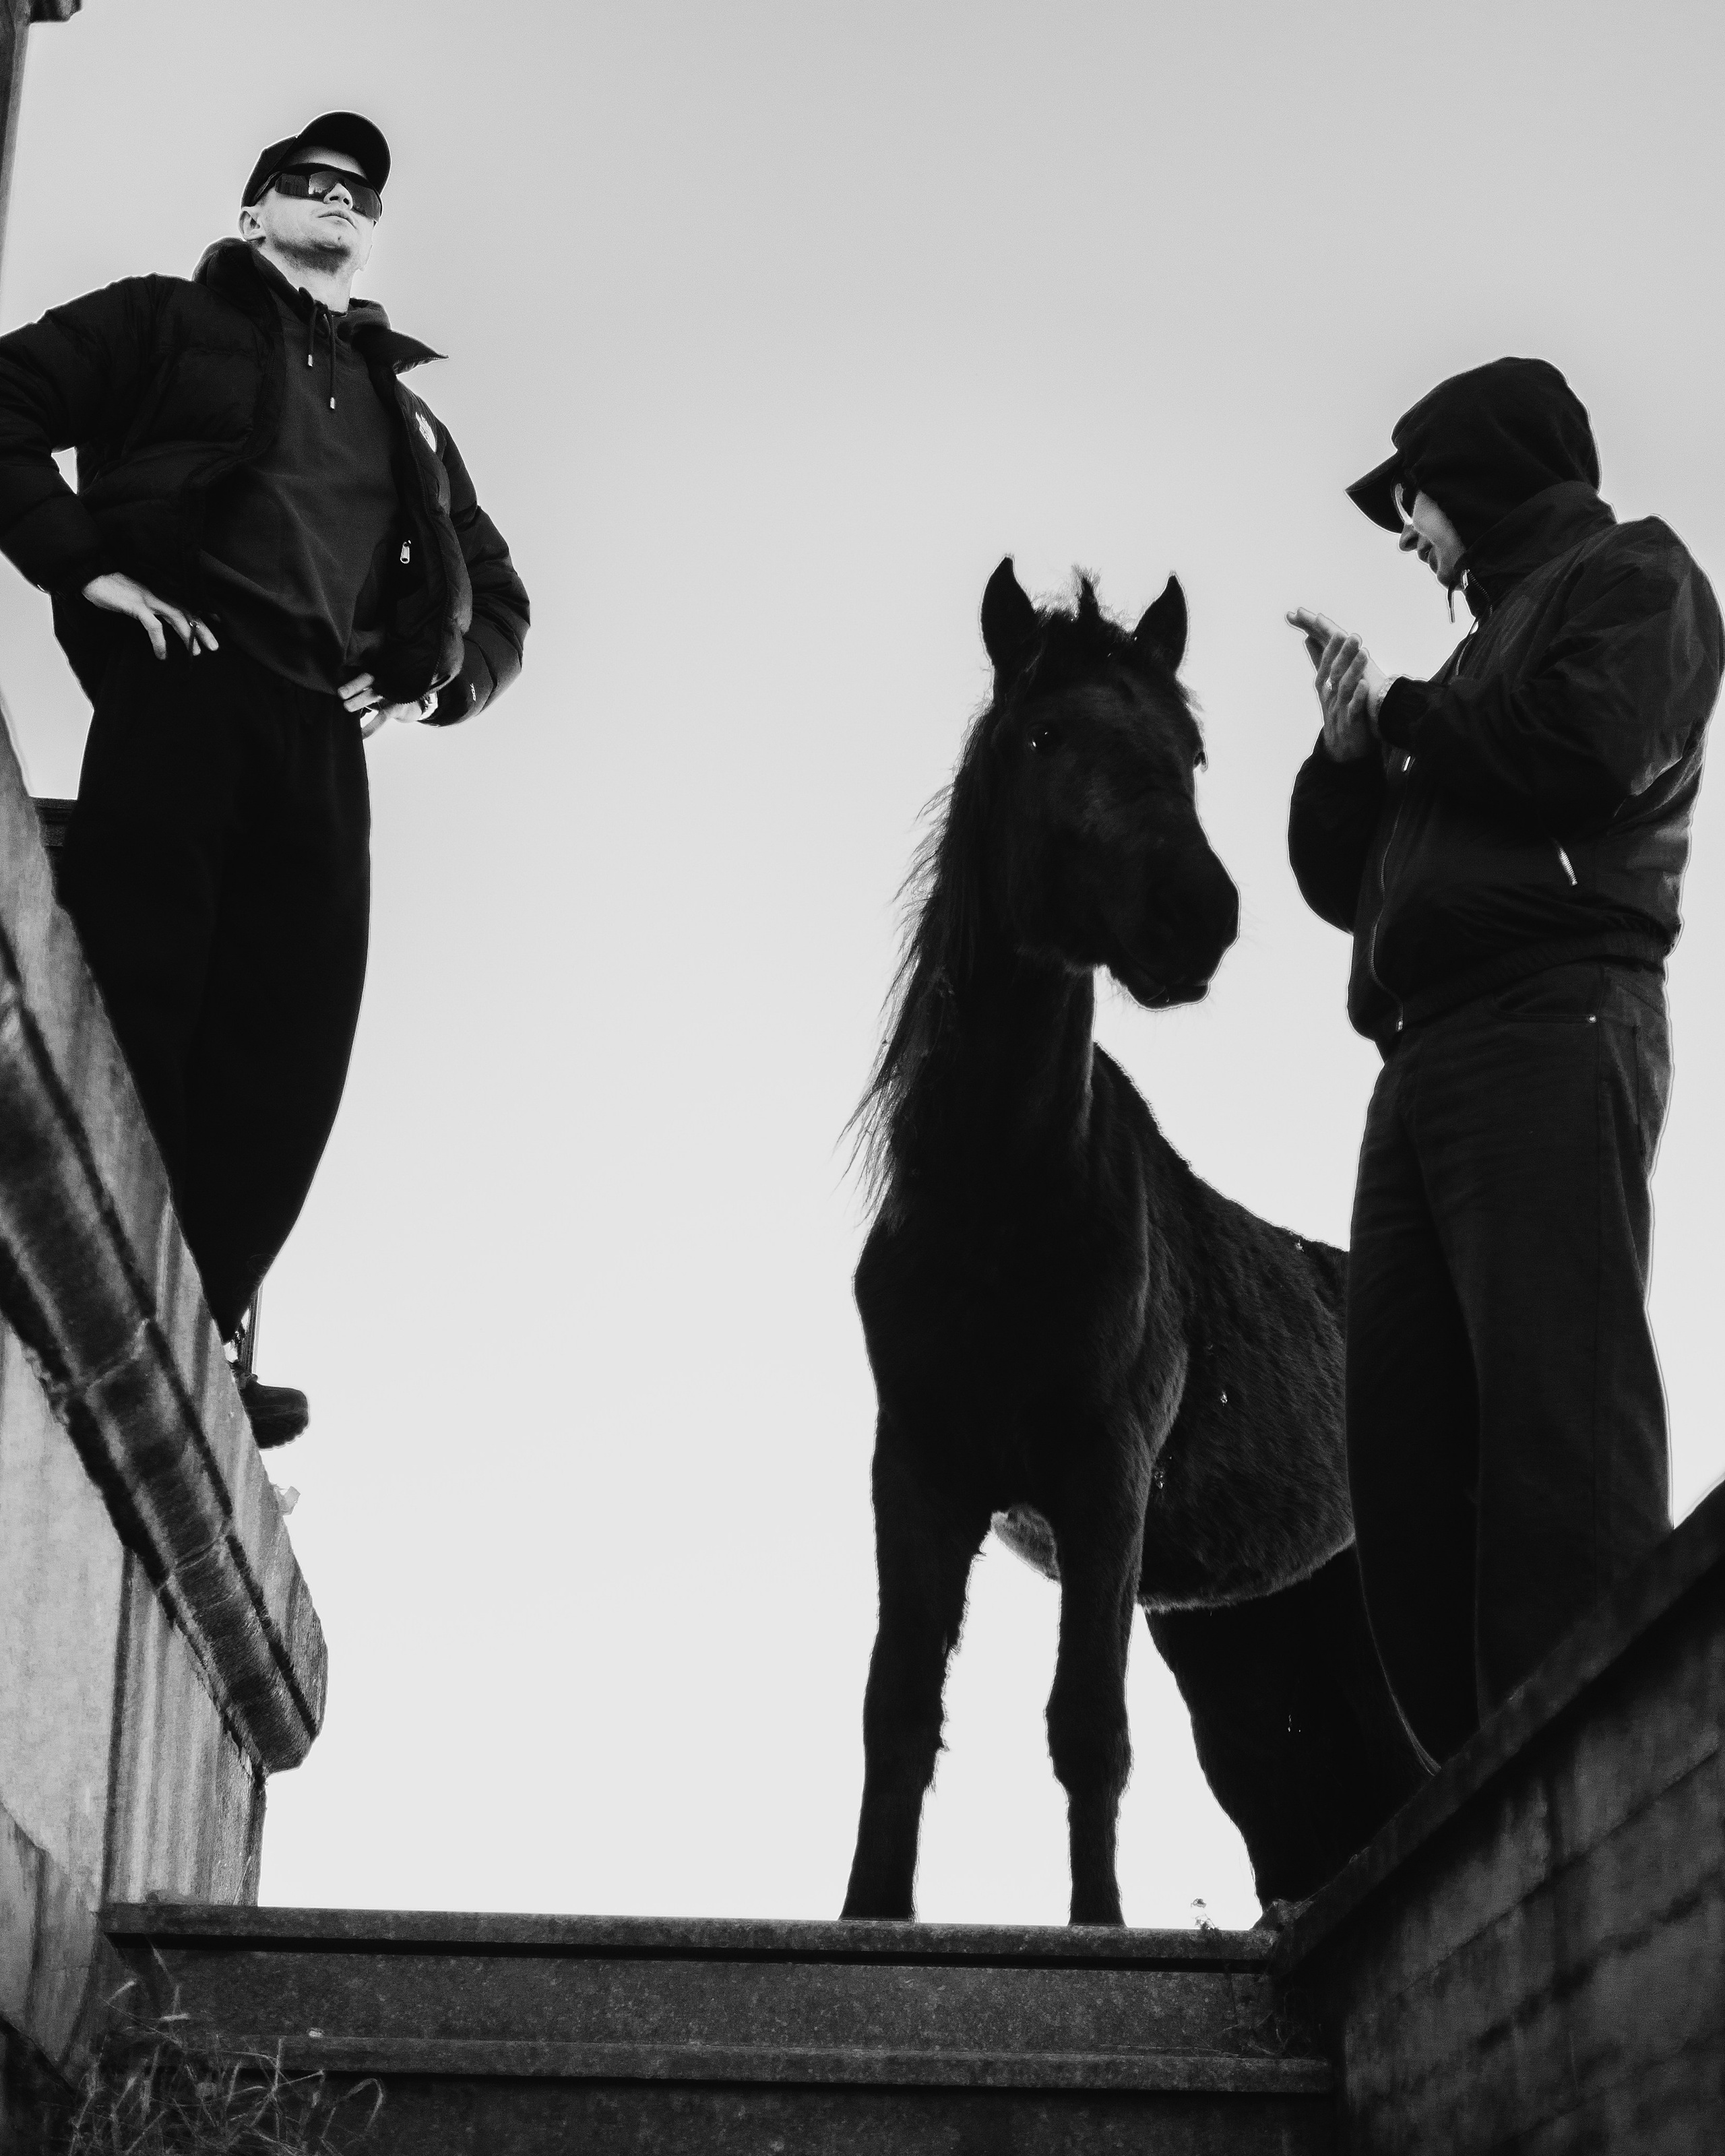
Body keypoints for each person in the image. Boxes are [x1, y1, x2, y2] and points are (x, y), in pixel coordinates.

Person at [0, 112, 530, 1445]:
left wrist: (433, 679)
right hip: (185, 679)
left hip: (320, 730)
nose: (335, 194)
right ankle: (124, 1286)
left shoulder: (408, 418)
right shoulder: (161, 323)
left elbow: (500, 597)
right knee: (146, 995)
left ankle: (204, 1317)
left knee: (287, 1056)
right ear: (251, 218)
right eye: (305, 179)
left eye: (356, 189)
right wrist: (83, 564)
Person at [1284, 356, 1722, 1763]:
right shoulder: (1466, 664)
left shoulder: (1634, 579)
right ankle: (1472, 1792)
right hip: (1414, 1061)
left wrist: (1410, 716)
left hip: (1553, 1020)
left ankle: (1598, 1773)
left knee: (1553, 1413)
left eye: (1410, 498)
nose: (1404, 530)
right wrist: (1350, 753)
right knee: (1400, 1455)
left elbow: (1582, 755)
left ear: (1471, 479)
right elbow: (1332, 880)